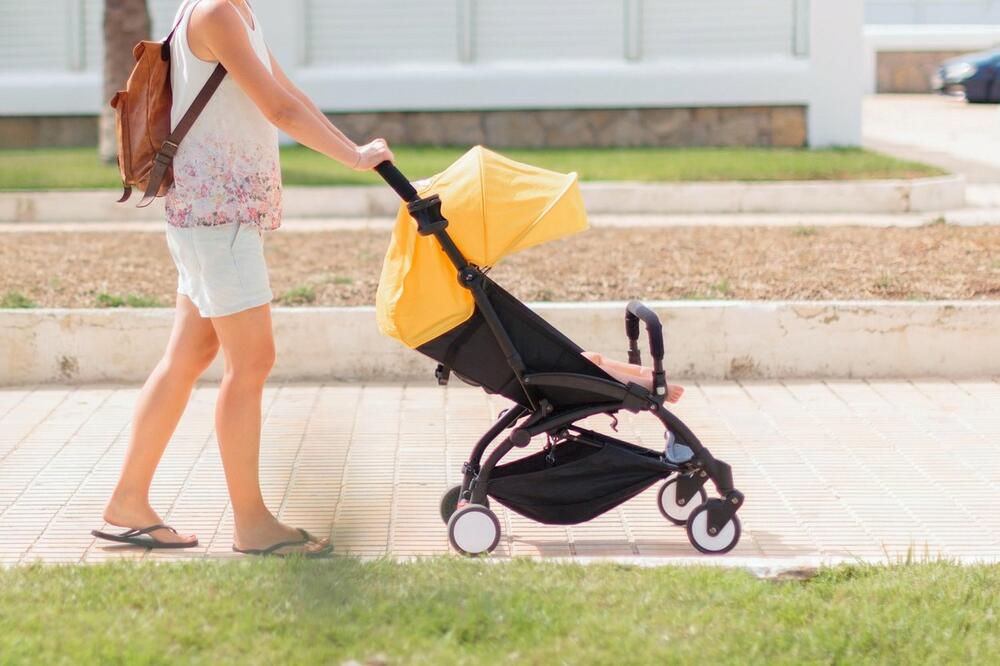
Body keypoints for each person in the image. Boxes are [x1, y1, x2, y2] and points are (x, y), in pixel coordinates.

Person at [92, 0, 393, 557]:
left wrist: (360, 150)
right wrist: (352, 158)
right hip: (218, 218)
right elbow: (277, 109)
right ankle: (252, 524)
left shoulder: (230, 10)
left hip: (211, 216)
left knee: (186, 359)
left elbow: (290, 93)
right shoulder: (215, 13)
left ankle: (128, 501)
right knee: (251, 362)